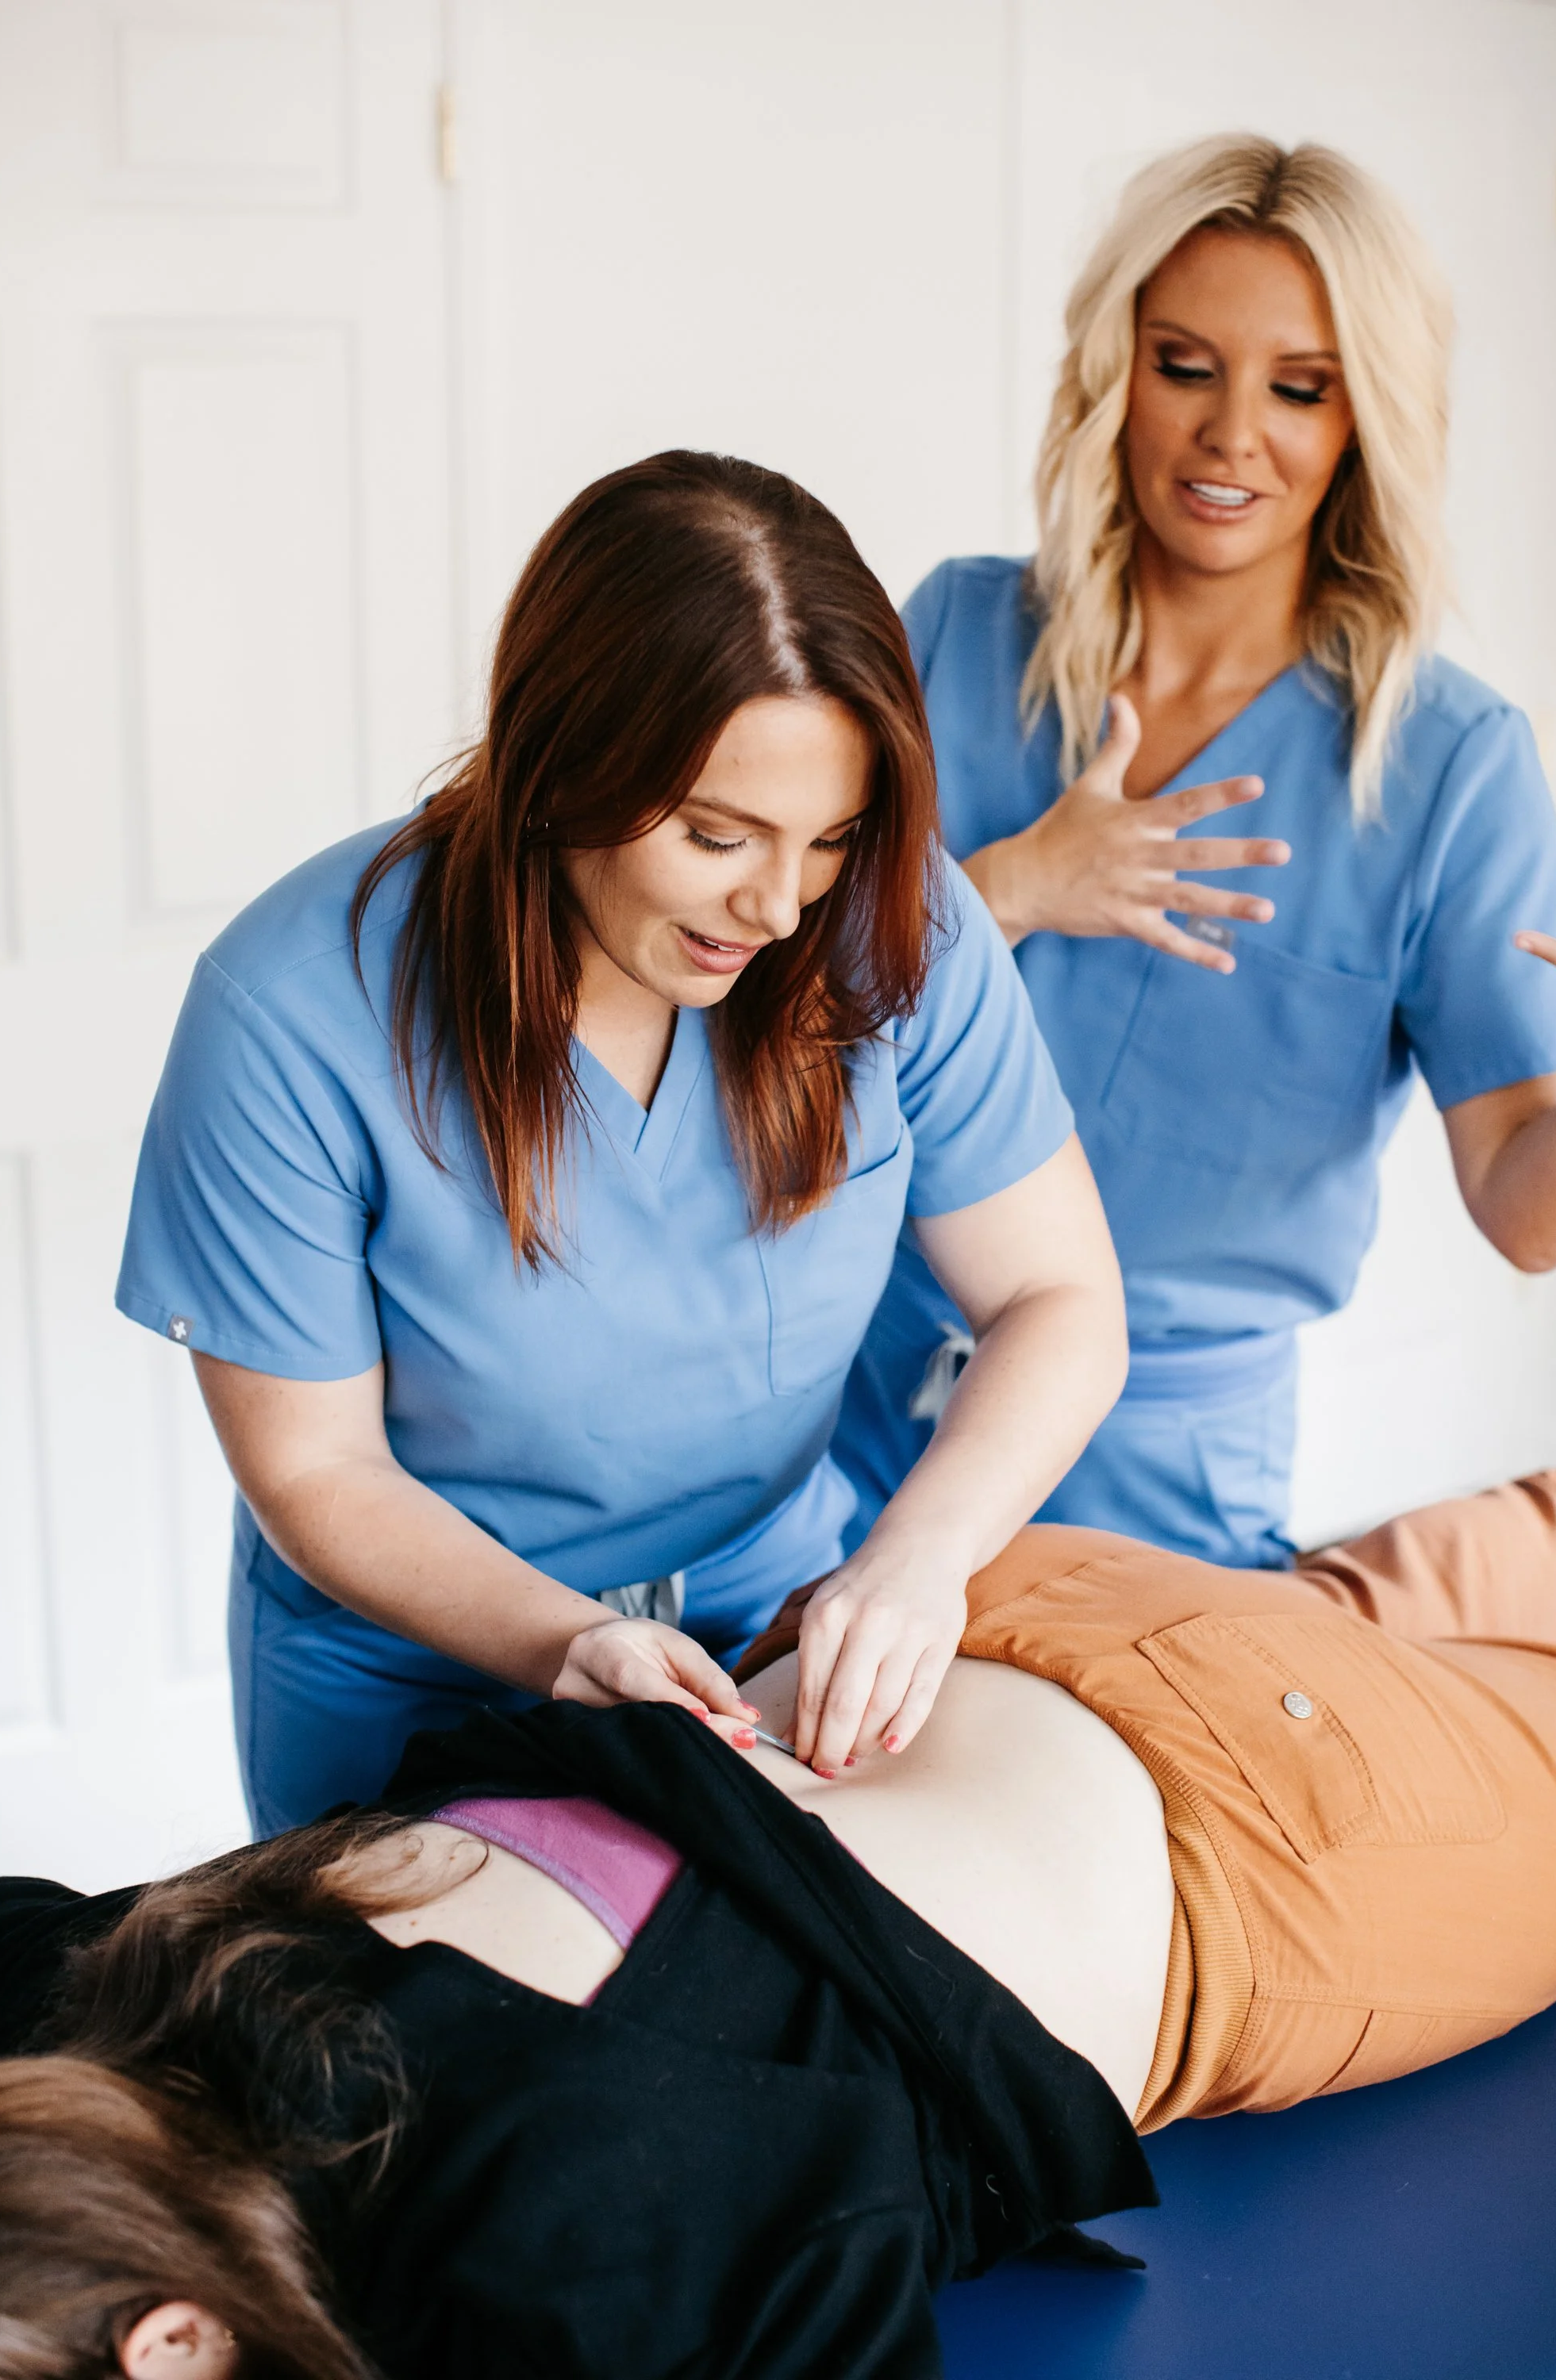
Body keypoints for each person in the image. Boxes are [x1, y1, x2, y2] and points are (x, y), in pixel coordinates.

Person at [0, 1464, 1556, 2378]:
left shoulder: (566, 2258)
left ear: (176, 2347)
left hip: (1290, 1832)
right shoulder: (58, 2008)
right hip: (977, 1619)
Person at [115, 451, 1127, 1833]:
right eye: (719, 836)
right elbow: (315, 1470)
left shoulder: (898, 932)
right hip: (415, 1672)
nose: (779, 904)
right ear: (566, 765)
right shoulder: (292, 1011)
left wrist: (918, 1560)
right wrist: (560, 1643)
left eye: (830, 837)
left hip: (769, 1629)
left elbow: (1057, 1297)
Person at [835, 134, 1556, 1572]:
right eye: (1185, 366)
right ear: (1116, 376)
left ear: (1366, 422)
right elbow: (756, 1000)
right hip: (834, 1404)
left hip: (1151, 1488)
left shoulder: (1445, 767)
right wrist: (1014, 888)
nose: (1234, 434)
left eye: (1300, 389)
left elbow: (1524, 1211)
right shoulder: (954, 640)